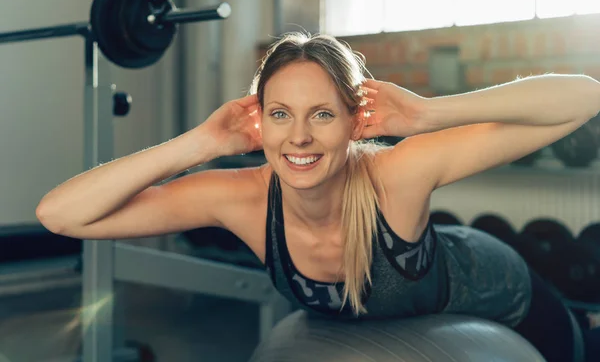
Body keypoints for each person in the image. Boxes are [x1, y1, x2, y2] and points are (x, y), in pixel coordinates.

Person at [37, 32, 600, 361]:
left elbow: (583, 98)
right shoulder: (241, 198)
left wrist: (430, 113)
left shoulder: (396, 173)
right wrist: (202, 142)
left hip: (499, 291)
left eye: (323, 115)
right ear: (260, 123)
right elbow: (59, 214)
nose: (299, 137)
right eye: (281, 115)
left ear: (355, 124)